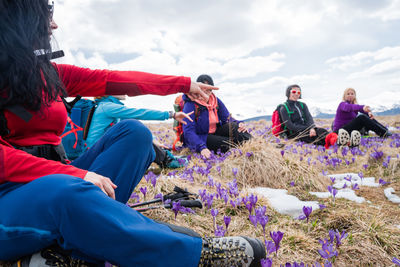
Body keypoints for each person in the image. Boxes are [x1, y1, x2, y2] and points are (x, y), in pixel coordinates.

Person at [0, 1, 265, 266]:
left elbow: (115, 78)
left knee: (134, 134)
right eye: (45, 17)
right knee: (66, 192)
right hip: (11, 198)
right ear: (17, 22)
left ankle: (68, 251)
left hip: (57, 179)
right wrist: (76, 174)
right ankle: (194, 255)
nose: (54, 25)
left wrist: (184, 84)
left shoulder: (49, 74)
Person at [85, 95, 192, 168]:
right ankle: (167, 160)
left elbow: (136, 125)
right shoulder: (107, 107)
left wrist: (154, 140)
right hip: (97, 155)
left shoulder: (108, 106)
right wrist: (170, 114)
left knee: (135, 133)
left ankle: (165, 157)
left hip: (101, 150)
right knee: (135, 138)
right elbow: (139, 113)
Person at [182, 74, 252, 158]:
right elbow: (188, 131)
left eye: (209, 89)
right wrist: (201, 147)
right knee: (228, 143)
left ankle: (254, 144)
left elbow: (227, 118)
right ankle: (242, 152)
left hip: (215, 131)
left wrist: (239, 124)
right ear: (197, 88)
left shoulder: (215, 100)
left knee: (235, 127)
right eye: (203, 89)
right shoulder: (190, 104)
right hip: (201, 137)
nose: (205, 92)